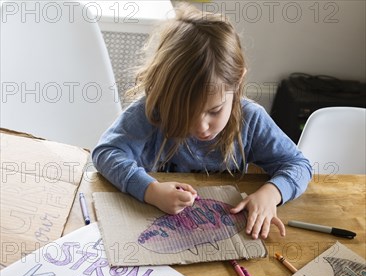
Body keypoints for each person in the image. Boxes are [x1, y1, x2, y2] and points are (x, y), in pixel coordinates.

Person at [92, 2, 312, 240]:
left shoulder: (252, 119)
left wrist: (272, 193)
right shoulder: (153, 110)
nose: (201, 127)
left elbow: (299, 166)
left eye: (215, 111)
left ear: (237, 82)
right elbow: (106, 153)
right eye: (184, 113)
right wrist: (151, 190)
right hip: (156, 229)